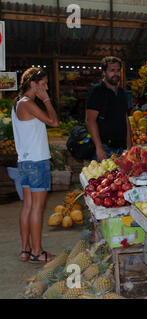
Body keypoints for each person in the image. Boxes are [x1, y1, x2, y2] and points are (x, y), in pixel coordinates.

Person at [12, 67, 59, 263]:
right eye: (44, 84)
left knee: (28, 206)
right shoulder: (28, 103)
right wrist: (46, 99)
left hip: (24, 161)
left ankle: (26, 249)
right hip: (37, 162)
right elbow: (54, 121)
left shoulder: (18, 103)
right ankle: (38, 252)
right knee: (37, 208)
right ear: (33, 84)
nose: (46, 87)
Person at [85, 56, 132, 162]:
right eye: (112, 70)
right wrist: (99, 147)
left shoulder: (121, 92)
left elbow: (125, 118)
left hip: (121, 148)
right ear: (103, 72)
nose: (115, 74)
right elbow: (90, 120)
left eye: (117, 70)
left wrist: (129, 146)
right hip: (105, 149)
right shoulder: (97, 91)